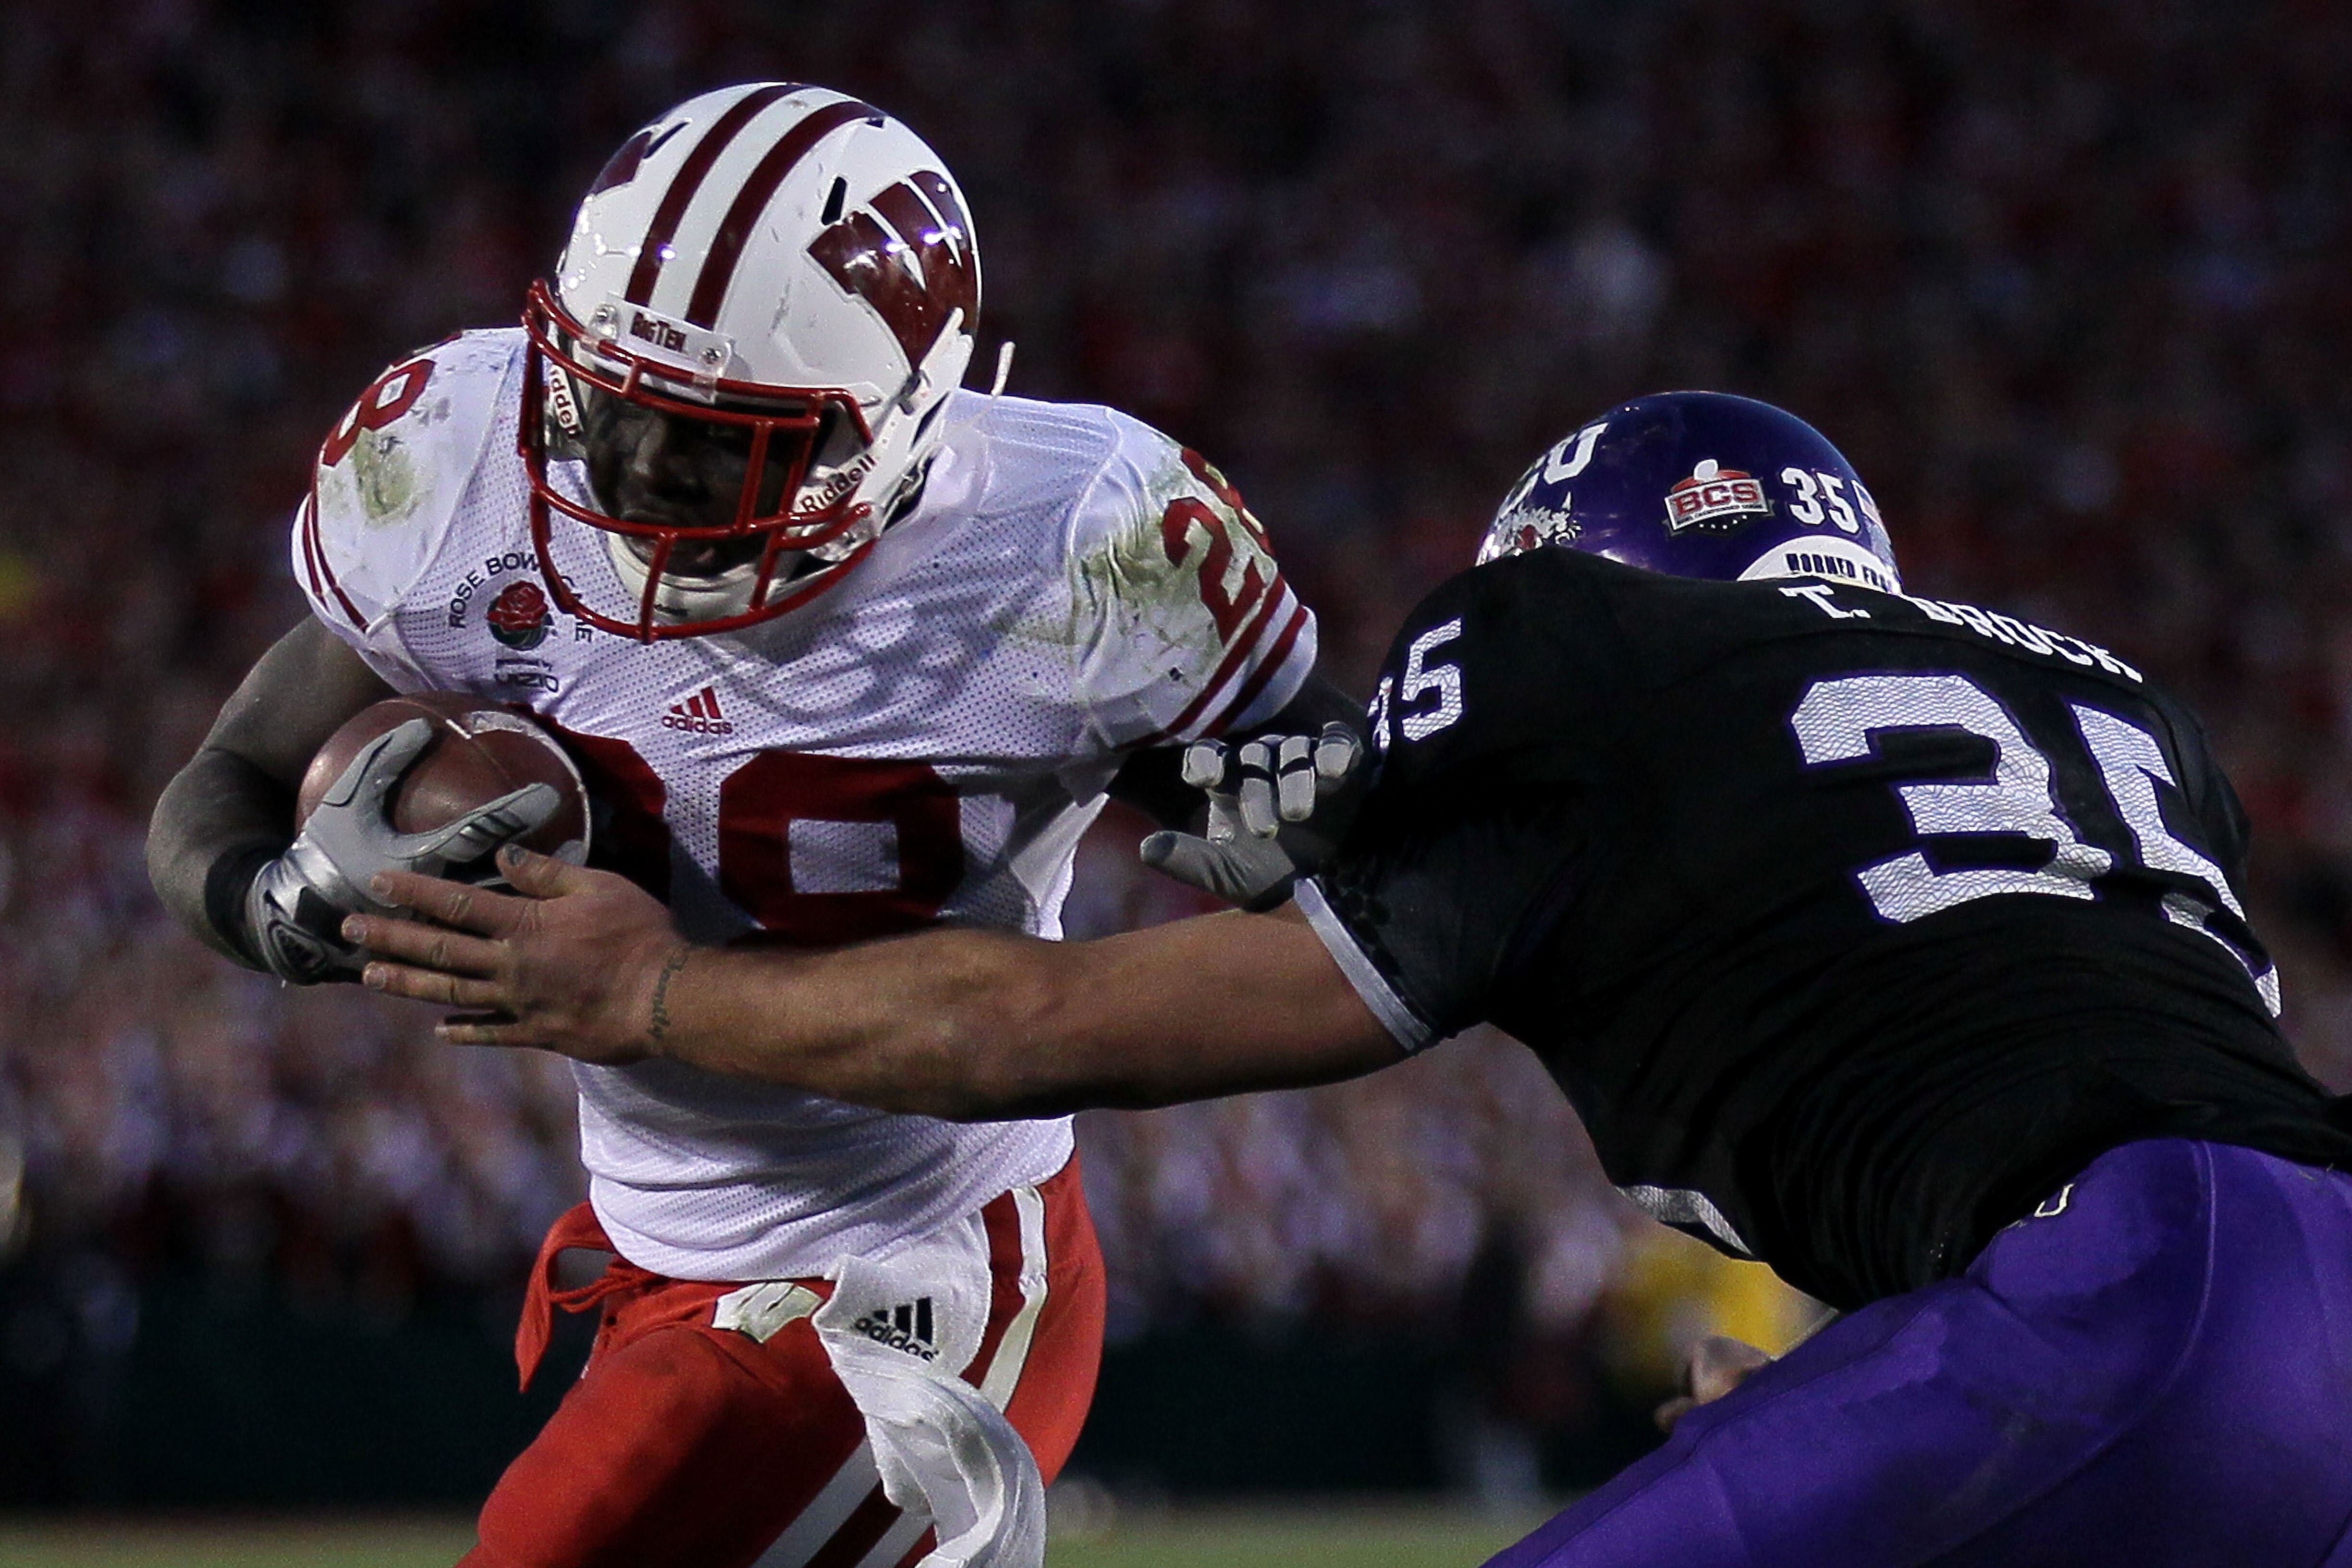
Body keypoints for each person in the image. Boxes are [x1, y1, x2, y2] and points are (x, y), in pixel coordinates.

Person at [356, 391, 2352, 1566]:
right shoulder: (2112, 708)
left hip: (2143, 1295)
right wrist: (1868, 1380)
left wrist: (652, 1004)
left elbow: (1031, 1028)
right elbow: (2074, 1102)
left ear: (1575, 579)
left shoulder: (1587, 679)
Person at [146, 83, 1356, 1568]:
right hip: (661, 1257)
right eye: (615, 404)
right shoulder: (459, 462)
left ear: (894, 432)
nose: (638, 480)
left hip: (908, 1274)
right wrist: (270, 907)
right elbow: (228, 777)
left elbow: (1335, 820)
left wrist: (1288, 815)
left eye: (718, 443)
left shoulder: (1076, 544)